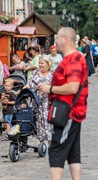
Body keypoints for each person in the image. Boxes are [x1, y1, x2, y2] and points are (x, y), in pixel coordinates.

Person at [37, 27, 88, 180]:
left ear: (65, 38)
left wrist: (49, 89)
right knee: (73, 152)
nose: (55, 42)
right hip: (70, 111)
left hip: (68, 112)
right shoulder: (72, 58)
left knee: (56, 150)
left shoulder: (73, 59)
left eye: (57, 38)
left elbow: (73, 87)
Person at [24, 56, 53, 146]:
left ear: (48, 64)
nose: (40, 65)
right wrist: (26, 87)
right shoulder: (35, 72)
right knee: (38, 120)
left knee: (48, 121)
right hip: (36, 100)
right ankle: (41, 143)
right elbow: (29, 83)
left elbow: (58, 85)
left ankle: (50, 142)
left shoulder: (53, 74)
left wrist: (47, 85)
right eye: (39, 63)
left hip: (48, 101)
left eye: (42, 63)